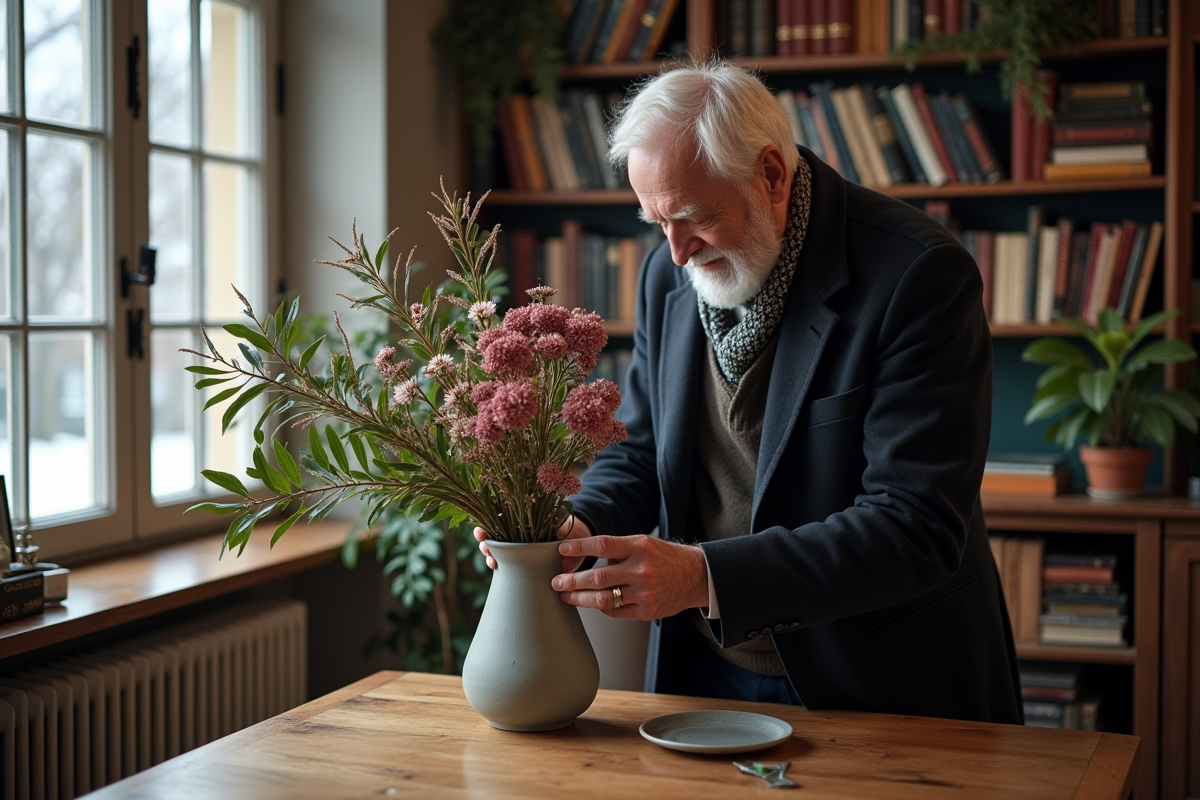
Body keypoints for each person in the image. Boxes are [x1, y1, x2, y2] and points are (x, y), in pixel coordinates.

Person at [477, 61, 1022, 724]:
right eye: (656, 223)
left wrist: (703, 576)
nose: (676, 253)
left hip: (876, 682)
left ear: (770, 175)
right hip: (706, 667)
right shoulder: (665, 276)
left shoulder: (917, 276)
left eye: (693, 217)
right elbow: (644, 449)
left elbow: (914, 527)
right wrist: (577, 530)